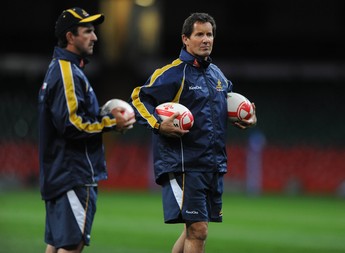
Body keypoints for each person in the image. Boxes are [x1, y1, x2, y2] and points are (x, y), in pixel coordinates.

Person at [129, 12, 257, 253]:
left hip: (213, 164)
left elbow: (230, 104)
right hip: (184, 164)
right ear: (185, 39)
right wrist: (158, 124)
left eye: (209, 34)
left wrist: (246, 116)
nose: (206, 39)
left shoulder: (217, 75)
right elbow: (138, 97)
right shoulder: (173, 73)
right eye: (199, 34)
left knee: (195, 229)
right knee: (198, 230)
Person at [38, 7, 135, 253]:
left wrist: (101, 114)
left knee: (58, 244)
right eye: (88, 31)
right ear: (70, 37)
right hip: (73, 173)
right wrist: (112, 123)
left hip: (62, 172)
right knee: (72, 245)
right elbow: (71, 123)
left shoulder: (64, 69)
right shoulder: (67, 72)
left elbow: (72, 117)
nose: (95, 37)